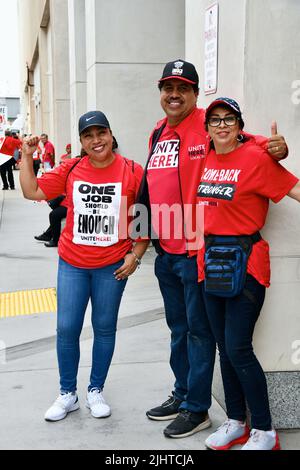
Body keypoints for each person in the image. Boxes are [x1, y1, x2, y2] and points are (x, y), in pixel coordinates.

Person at [137, 59, 289, 439]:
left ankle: (197, 408)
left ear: (194, 94)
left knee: (202, 335)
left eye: (182, 88)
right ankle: (184, 391)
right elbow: (147, 188)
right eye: (167, 88)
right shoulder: (158, 131)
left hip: (198, 251)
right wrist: (141, 243)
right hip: (167, 250)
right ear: (161, 93)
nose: (174, 95)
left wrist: (276, 147)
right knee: (179, 330)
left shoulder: (206, 123)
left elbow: (242, 141)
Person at [20, 110, 148, 422]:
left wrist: (136, 254)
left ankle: (95, 390)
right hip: (73, 264)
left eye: (101, 133)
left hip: (112, 266)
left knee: (104, 328)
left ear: (110, 134)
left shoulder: (132, 170)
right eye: (88, 136)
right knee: (67, 329)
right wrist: (25, 155)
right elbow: (31, 190)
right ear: (81, 141)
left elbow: (144, 219)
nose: (96, 140)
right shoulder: (72, 168)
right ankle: (68, 394)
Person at [198, 97, 300, 450]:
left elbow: (294, 189)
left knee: (239, 347)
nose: (222, 125)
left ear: (240, 126)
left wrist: (270, 145)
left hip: (247, 262)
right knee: (223, 349)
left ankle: (266, 431)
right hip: (211, 263)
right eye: (215, 120)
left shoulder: (258, 159)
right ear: (207, 128)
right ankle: (237, 422)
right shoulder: (207, 158)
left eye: (229, 119)